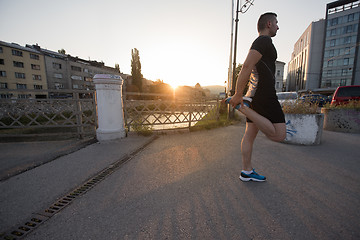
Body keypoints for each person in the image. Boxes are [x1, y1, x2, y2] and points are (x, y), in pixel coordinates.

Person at [229, 12, 286, 182]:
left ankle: (246, 171)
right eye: (276, 22)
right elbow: (247, 65)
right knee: (279, 135)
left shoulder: (263, 42)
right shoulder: (263, 40)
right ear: (268, 24)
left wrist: (243, 94)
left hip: (257, 94)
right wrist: (238, 94)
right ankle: (243, 108)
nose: (278, 26)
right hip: (264, 95)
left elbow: (250, 67)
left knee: (249, 135)